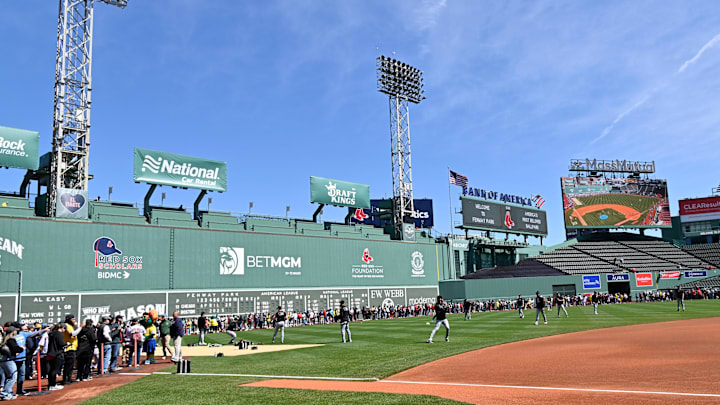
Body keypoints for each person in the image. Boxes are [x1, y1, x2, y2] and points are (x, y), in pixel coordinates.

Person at [0, 326, 22, 399]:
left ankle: (9, 392)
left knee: (9, 376)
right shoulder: (11, 340)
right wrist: (22, 348)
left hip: (4, 359)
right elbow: (15, 349)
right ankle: (5, 393)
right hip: (9, 359)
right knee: (13, 376)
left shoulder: (5, 339)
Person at [45, 323, 65, 391]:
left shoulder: (51, 333)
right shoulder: (59, 334)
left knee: (51, 370)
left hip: (50, 353)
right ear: (62, 328)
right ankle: (53, 385)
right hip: (57, 354)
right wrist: (66, 344)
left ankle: (51, 384)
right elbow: (61, 343)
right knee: (54, 370)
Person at [63, 314, 79, 385]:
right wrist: (80, 327)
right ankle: (66, 379)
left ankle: (69, 378)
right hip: (69, 348)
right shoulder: (67, 325)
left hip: (73, 347)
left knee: (71, 365)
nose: (74, 321)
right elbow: (73, 334)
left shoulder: (71, 326)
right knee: (68, 365)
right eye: (73, 319)